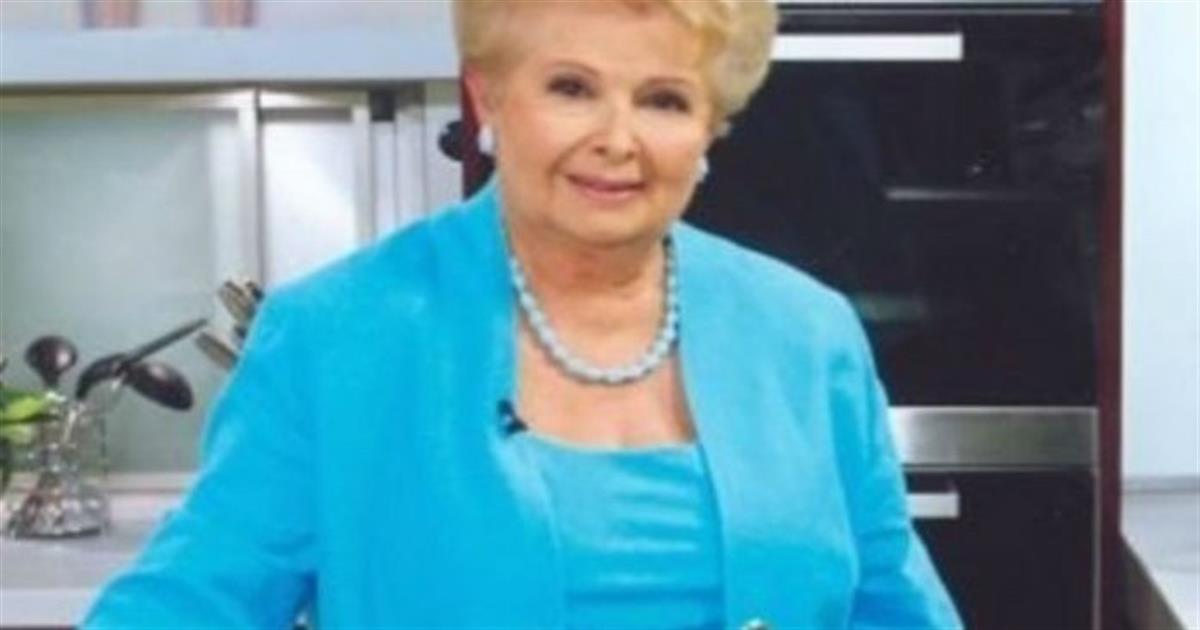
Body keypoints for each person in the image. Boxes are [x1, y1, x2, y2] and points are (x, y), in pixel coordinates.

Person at [84, 1, 962, 628]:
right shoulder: (336, 335)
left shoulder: (806, 335)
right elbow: (191, 601)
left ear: (710, 128)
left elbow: (892, 606)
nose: (616, 138)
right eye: (572, 87)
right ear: (489, 97)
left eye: (663, 99)